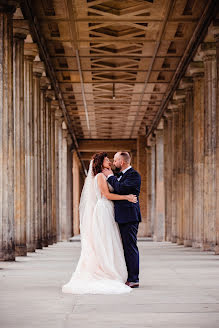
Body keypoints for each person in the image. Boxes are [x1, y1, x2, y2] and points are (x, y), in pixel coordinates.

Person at [62, 152, 137, 294]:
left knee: (111, 240)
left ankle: (112, 268)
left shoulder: (107, 175)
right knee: (106, 240)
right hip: (104, 209)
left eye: (110, 160)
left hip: (109, 209)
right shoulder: (100, 176)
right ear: (100, 163)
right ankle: (106, 270)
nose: (109, 162)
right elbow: (107, 195)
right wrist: (126, 197)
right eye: (107, 160)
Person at [103, 152, 141, 288]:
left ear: (122, 162)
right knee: (121, 247)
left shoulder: (134, 175)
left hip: (130, 216)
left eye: (115, 160)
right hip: (119, 216)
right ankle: (124, 275)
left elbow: (120, 188)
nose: (113, 163)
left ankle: (134, 279)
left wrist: (110, 177)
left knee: (130, 247)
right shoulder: (118, 175)